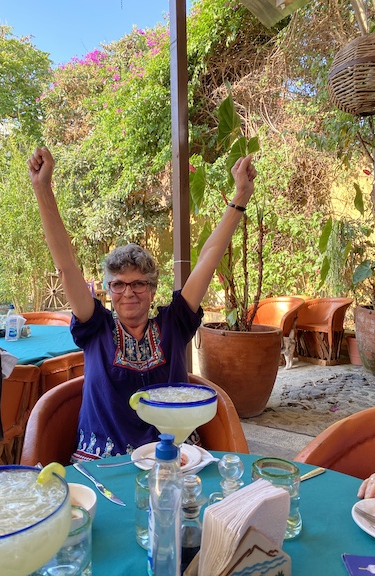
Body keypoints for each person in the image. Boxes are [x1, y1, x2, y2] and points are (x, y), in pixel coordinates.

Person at [28, 146, 256, 459]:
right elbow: (66, 265)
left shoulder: (174, 324)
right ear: (108, 290)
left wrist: (240, 196)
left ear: (152, 289)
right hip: (106, 464)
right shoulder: (95, 328)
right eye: (118, 285)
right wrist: (42, 188)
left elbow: (208, 258)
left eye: (138, 284)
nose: (129, 292)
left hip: (175, 457)